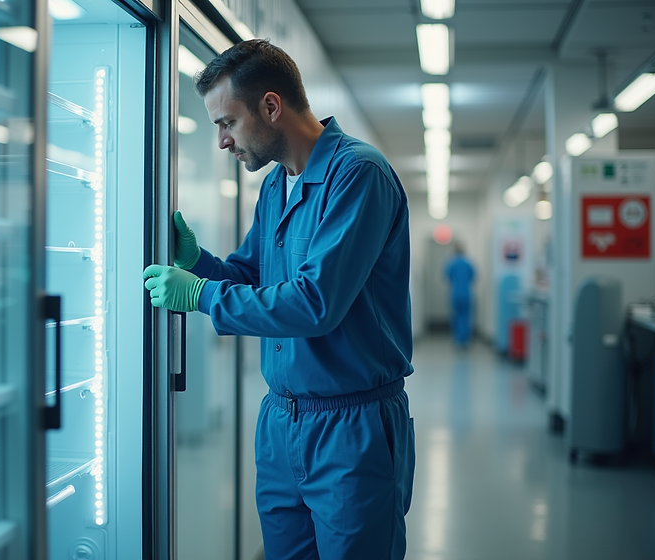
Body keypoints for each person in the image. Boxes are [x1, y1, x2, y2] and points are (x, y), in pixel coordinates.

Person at [143, 39, 415, 559]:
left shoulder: (357, 175)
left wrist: (201, 295)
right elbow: (250, 274)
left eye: (227, 123)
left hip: (350, 429)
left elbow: (316, 303)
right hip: (281, 425)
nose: (221, 141)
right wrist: (197, 261)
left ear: (271, 106)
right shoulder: (276, 187)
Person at [444, 243, 476, 347]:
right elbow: (473, 277)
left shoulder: (451, 263)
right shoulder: (468, 264)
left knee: (456, 316)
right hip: (466, 293)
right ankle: (465, 339)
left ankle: (457, 338)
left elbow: (448, 278)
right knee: (466, 316)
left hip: (456, 293)